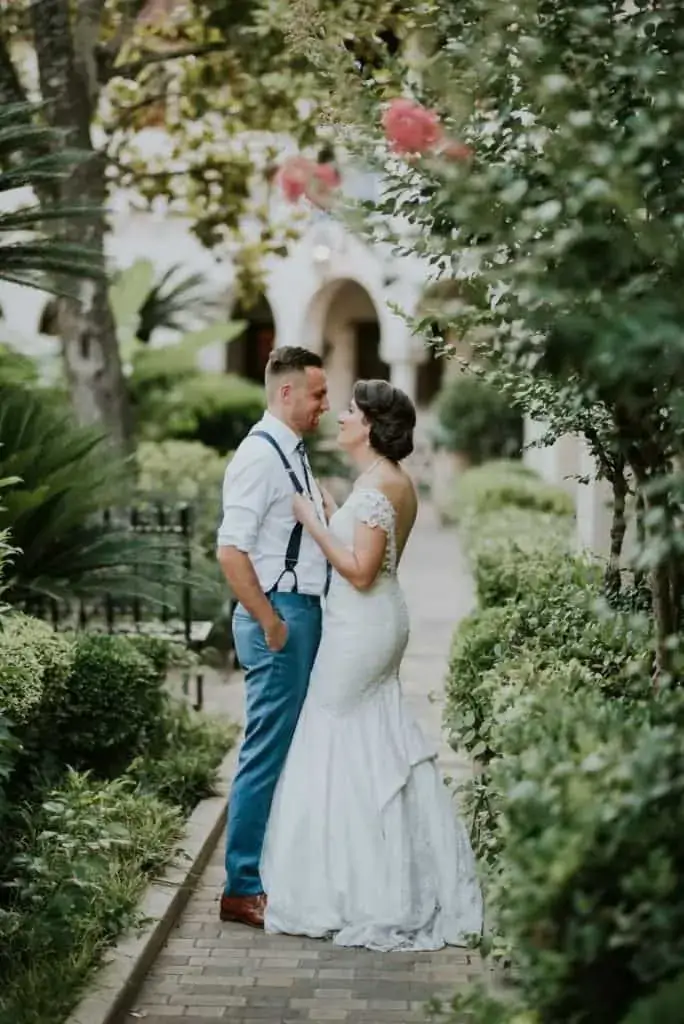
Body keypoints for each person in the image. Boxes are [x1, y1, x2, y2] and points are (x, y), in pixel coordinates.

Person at [261, 378, 484, 951]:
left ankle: (354, 884)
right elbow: (369, 545)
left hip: (361, 624)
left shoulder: (379, 485)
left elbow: (359, 571)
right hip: (374, 620)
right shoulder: (386, 481)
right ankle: (388, 869)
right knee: (371, 735)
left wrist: (313, 524)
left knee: (333, 732)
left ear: (371, 426)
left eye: (351, 411)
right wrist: (334, 512)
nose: (340, 416)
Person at [216, 346, 330, 929]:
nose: (325, 405)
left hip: (299, 611)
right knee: (264, 752)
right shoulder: (259, 459)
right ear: (287, 393)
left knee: (289, 751)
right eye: (317, 394)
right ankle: (241, 887)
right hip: (278, 616)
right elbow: (230, 550)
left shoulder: (292, 453)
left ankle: (266, 872)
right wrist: (270, 621)